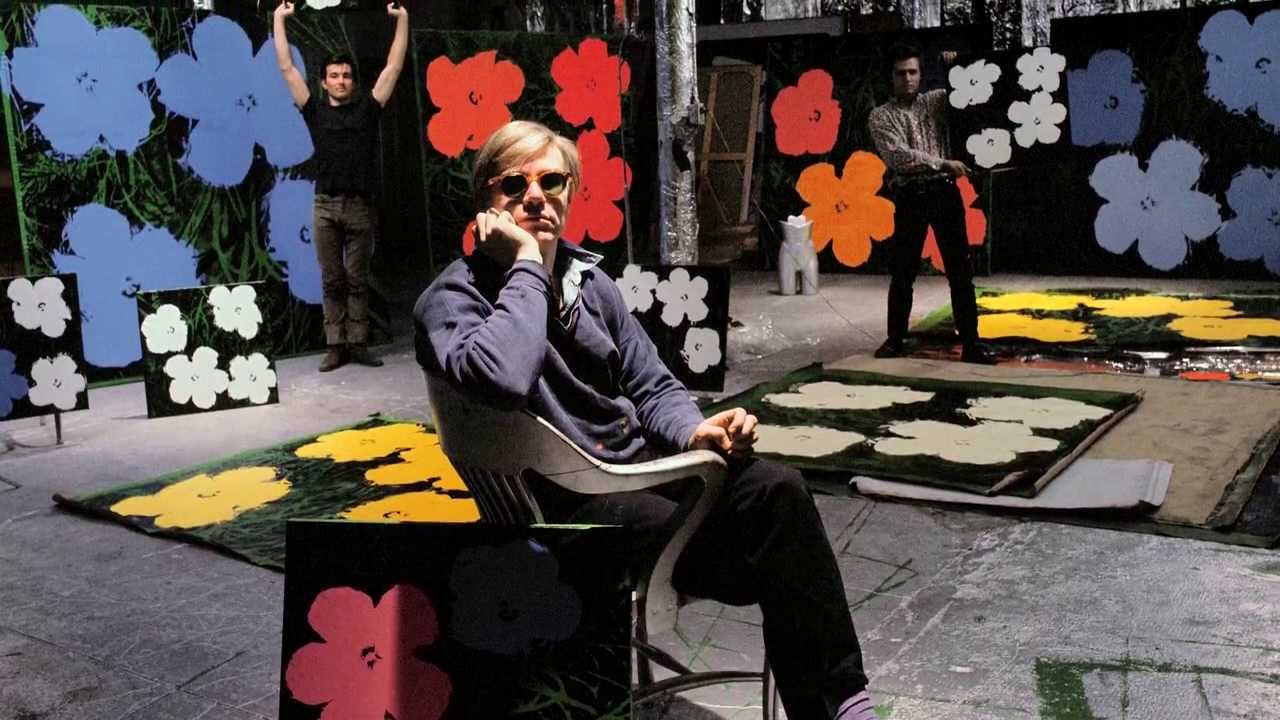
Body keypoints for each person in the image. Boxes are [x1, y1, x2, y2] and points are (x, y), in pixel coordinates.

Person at [414, 120, 878, 720]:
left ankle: (841, 704)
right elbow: (505, 378)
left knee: (778, 490)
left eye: (551, 181)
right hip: (563, 504)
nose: (535, 197)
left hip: (638, 472)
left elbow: (652, 384)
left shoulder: (591, 285)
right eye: (514, 184)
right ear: (486, 200)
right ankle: (790, 617)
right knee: (773, 557)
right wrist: (527, 262)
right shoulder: (453, 298)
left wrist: (693, 431)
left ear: (569, 191)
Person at [274, 0, 410, 371]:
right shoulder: (314, 111)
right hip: (325, 206)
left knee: (357, 280)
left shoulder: (369, 108)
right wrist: (279, 18)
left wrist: (402, 19)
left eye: (346, 75)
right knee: (332, 280)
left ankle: (358, 343)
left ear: (353, 81)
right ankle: (336, 345)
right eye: (334, 75)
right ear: (324, 82)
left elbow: (394, 66)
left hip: (360, 206)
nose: (341, 80)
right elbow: (286, 67)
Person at [868, 42, 995, 365]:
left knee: (959, 270)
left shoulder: (937, 101)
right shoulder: (881, 116)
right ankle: (895, 340)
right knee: (903, 271)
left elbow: (970, 98)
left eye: (913, 72)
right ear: (891, 77)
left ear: (921, 74)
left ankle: (971, 344)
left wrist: (955, 66)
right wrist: (942, 163)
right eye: (901, 73)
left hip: (944, 193)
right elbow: (898, 156)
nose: (908, 78)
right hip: (910, 195)